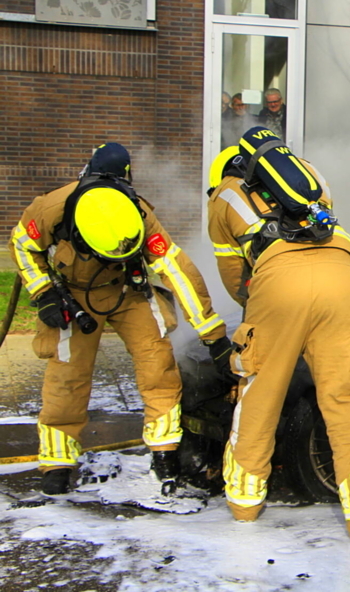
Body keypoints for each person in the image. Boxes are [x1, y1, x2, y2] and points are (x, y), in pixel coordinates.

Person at [206, 127, 350, 542]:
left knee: (261, 391)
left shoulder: (224, 196)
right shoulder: (309, 175)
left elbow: (232, 276)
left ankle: (244, 502)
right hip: (341, 273)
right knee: (348, 392)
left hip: (278, 282)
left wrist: (256, 317)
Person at [8, 143, 233, 496]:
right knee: (67, 376)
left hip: (127, 289)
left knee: (158, 365)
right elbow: (23, 245)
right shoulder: (53, 207)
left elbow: (175, 269)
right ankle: (58, 462)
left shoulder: (139, 213)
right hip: (74, 292)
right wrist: (45, 294)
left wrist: (213, 334)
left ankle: (164, 453)